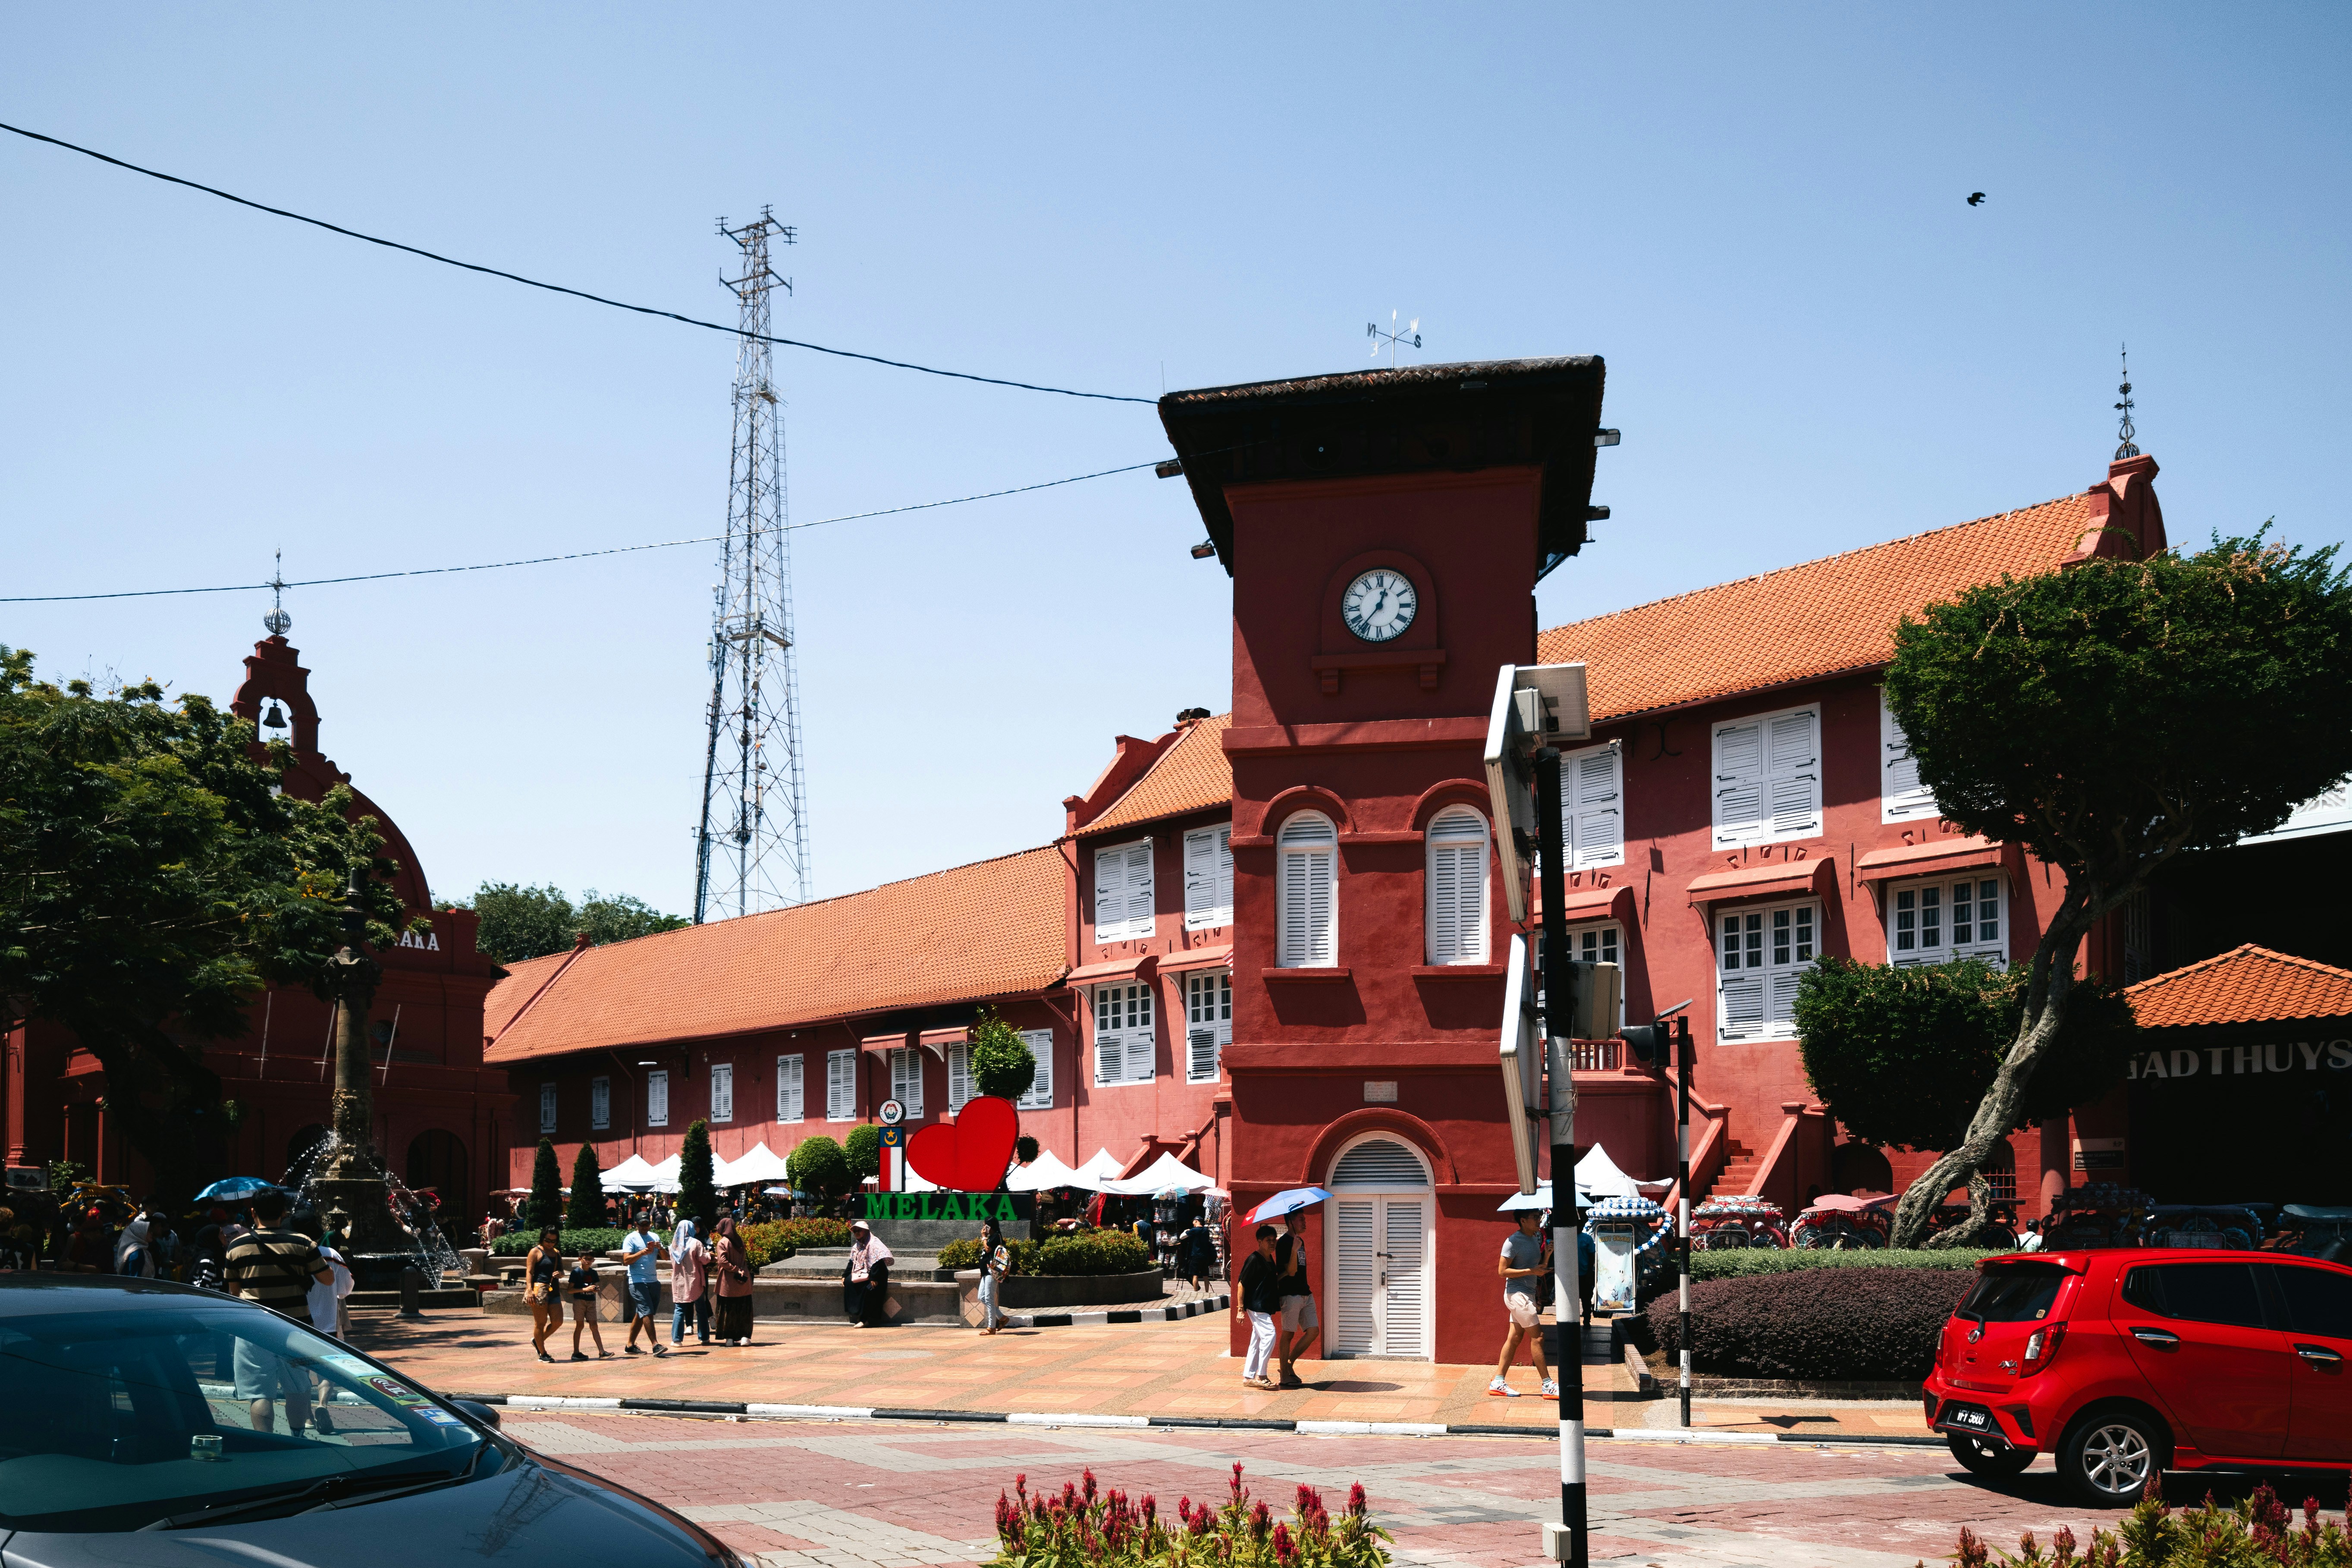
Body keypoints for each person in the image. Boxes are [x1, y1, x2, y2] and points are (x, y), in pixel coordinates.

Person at [223, 1190, 335, 1433]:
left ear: (253, 1212)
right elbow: (328, 1279)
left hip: (254, 1328)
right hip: (295, 1329)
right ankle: (297, 1438)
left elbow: (234, 1293)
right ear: (284, 1213)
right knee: (298, 1388)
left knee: (260, 1393)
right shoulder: (303, 1243)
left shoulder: (237, 1247)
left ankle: (267, 1446)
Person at [1490, 1207, 1557, 1398]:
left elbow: (1537, 1268)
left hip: (1526, 1294)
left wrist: (1547, 1256)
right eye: (1535, 1217)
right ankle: (1548, 1385)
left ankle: (1498, 1383)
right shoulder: (1513, 1242)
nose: (1539, 1220)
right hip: (1517, 1295)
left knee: (1515, 1338)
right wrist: (1531, 1271)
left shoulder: (1535, 1239)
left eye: (1540, 1216)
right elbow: (1502, 1272)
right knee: (1539, 1337)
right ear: (1523, 1220)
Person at [1275, 1208, 1320, 1389]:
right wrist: (1294, 1250)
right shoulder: (1284, 1243)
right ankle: (1285, 1375)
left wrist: (1298, 1246)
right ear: (1291, 1222)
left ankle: (1288, 1364)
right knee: (1288, 1334)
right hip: (1290, 1294)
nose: (1305, 1222)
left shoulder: (1300, 1241)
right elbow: (1291, 1271)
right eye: (1301, 1219)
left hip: (1305, 1293)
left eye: (1304, 1219)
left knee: (1313, 1331)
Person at [1238, 1223, 1283, 1390]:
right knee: (1270, 1335)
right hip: (1256, 1306)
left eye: (1274, 1240)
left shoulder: (1269, 1258)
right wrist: (1240, 1309)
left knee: (1256, 1340)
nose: (1272, 1243)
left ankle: (1249, 1376)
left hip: (1264, 1304)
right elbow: (1241, 1284)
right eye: (1268, 1240)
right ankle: (1261, 1375)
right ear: (1259, 1242)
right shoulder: (1254, 1259)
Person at [620, 1213, 670, 1356]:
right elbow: (626, 1261)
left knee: (643, 1312)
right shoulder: (631, 1239)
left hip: (653, 1280)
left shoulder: (655, 1237)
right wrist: (642, 1252)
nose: (645, 1227)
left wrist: (661, 1249)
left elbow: (666, 1258)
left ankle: (630, 1346)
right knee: (647, 1311)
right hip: (637, 1281)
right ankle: (656, 1345)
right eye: (642, 1225)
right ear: (636, 1224)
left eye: (647, 1224)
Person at [711, 1216, 756, 1344]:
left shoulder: (723, 1242)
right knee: (744, 1309)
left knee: (728, 1310)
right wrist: (740, 1269)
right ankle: (745, 1338)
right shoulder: (739, 1240)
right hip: (743, 1281)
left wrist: (735, 1269)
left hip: (729, 1282)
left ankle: (729, 1339)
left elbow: (723, 1261)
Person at [670, 1218, 713, 1346]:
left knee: (679, 1309)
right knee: (701, 1309)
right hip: (695, 1281)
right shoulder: (696, 1243)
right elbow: (704, 1260)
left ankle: (677, 1340)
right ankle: (704, 1337)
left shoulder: (673, 1246)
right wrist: (709, 1255)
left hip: (679, 1283)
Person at [842, 1219, 893, 1328]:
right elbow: (852, 1261)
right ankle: (856, 1312)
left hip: (877, 1275)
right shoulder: (857, 1246)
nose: (857, 1233)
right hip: (863, 1273)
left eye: (859, 1231)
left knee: (869, 1289)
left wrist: (874, 1278)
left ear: (865, 1231)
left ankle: (865, 1319)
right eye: (855, 1231)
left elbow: (878, 1263)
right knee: (849, 1282)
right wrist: (845, 1275)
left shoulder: (874, 1244)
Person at [525, 1226, 564, 1363]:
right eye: (548, 1240)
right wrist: (530, 1290)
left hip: (554, 1291)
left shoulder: (557, 1253)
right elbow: (529, 1272)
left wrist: (561, 1274)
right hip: (539, 1291)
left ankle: (538, 1341)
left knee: (558, 1321)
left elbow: (562, 1271)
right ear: (543, 1237)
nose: (551, 1243)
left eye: (554, 1241)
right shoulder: (535, 1252)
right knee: (540, 1323)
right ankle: (543, 1353)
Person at [566, 1249, 613, 1360]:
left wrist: (596, 1289)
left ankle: (602, 1352)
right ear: (580, 1259)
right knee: (580, 1326)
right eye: (586, 1259)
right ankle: (576, 1352)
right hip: (579, 1301)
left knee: (594, 1326)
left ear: (594, 1260)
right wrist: (585, 1289)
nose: (588, 1261)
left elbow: (596, 1286)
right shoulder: (576, 1273)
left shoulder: (593, 1273)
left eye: (590, 1259)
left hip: (591, 1301)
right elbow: (570, 1290)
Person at [976, 1216, 1008, 1335]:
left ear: (990, 1227)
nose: (984, 1228)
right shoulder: (991, 1237)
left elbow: (988, 1250)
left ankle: (991, 1327)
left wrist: (984, 1237)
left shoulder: (996, 1237)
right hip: (986, 1273)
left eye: (985, 1226)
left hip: (992, 1272)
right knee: (982, 1298)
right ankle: (1002, 1318)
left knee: (989, 1299)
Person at [114, 1210, 157, 1278]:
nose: (152, 1233)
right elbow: (135, 1279)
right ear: (140, 1232)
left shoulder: (134, 1250)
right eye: (148, 1231)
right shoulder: (137, 1252)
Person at [1180, 1212, 1216, 1291]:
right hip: (1205, 1256)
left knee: (1195, 1275)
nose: (1193, 1223)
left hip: (1196, 1256)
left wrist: (1186, 1231)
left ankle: (1196, 1292)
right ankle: (1207, 1292)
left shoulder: (1194, 1230)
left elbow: (1181, 1237)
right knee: (1206, 1276)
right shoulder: (1206, 1231)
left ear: (1196, 1221)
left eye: (1193, 1221)